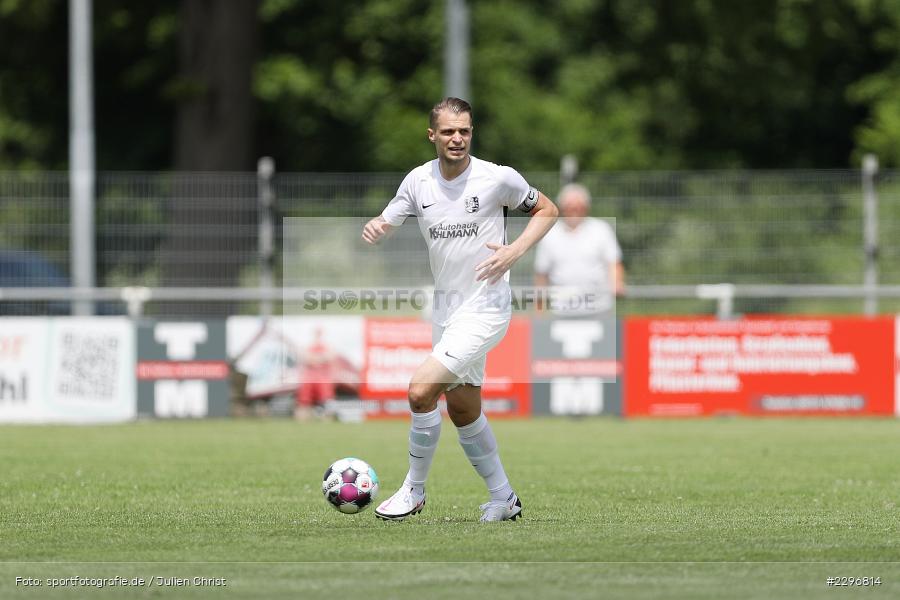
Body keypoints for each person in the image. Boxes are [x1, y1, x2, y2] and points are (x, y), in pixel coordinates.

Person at [362, 97, 558, 522]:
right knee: (464, 409)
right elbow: (389, 218)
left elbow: (548, 209)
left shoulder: (497, 178)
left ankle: (413, 490)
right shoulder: (418, 181)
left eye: (464, 131)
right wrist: (378, 226)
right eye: (449, 131)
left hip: (486, 307)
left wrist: (514, 250)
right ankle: (504, 498)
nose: (457, 138)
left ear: (472, 133)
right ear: (432, 134)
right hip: (447, 311)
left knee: (420, 391)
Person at [534, 183, 624, 315]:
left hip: (600, 308)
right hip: (562, 311)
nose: (574, 210)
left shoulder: (601, 229)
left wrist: (617, 283)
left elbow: (613, 262)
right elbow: (542, 273)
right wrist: (539, 308)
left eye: (578, 207)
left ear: (586, 208)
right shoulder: (549, 234)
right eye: (569, 207)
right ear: (562, 208)